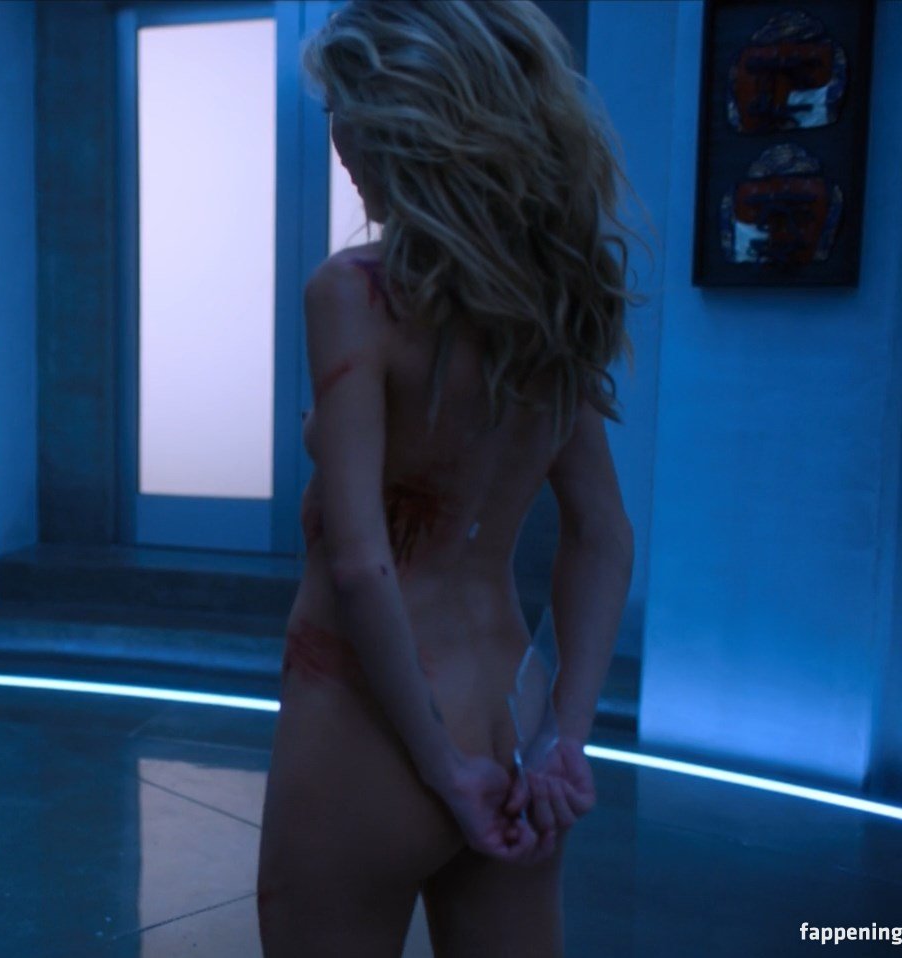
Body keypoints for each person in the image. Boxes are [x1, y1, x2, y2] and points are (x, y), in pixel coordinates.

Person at [257, 2, 638, 955]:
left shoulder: (353, 294)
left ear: (405, 122)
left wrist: (442, 769)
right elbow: (602, 534)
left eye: (342, 112)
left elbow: (362, 563)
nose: (339, 144)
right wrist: (564, 741)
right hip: (513, 713)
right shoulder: (550, 299)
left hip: (369, 727)